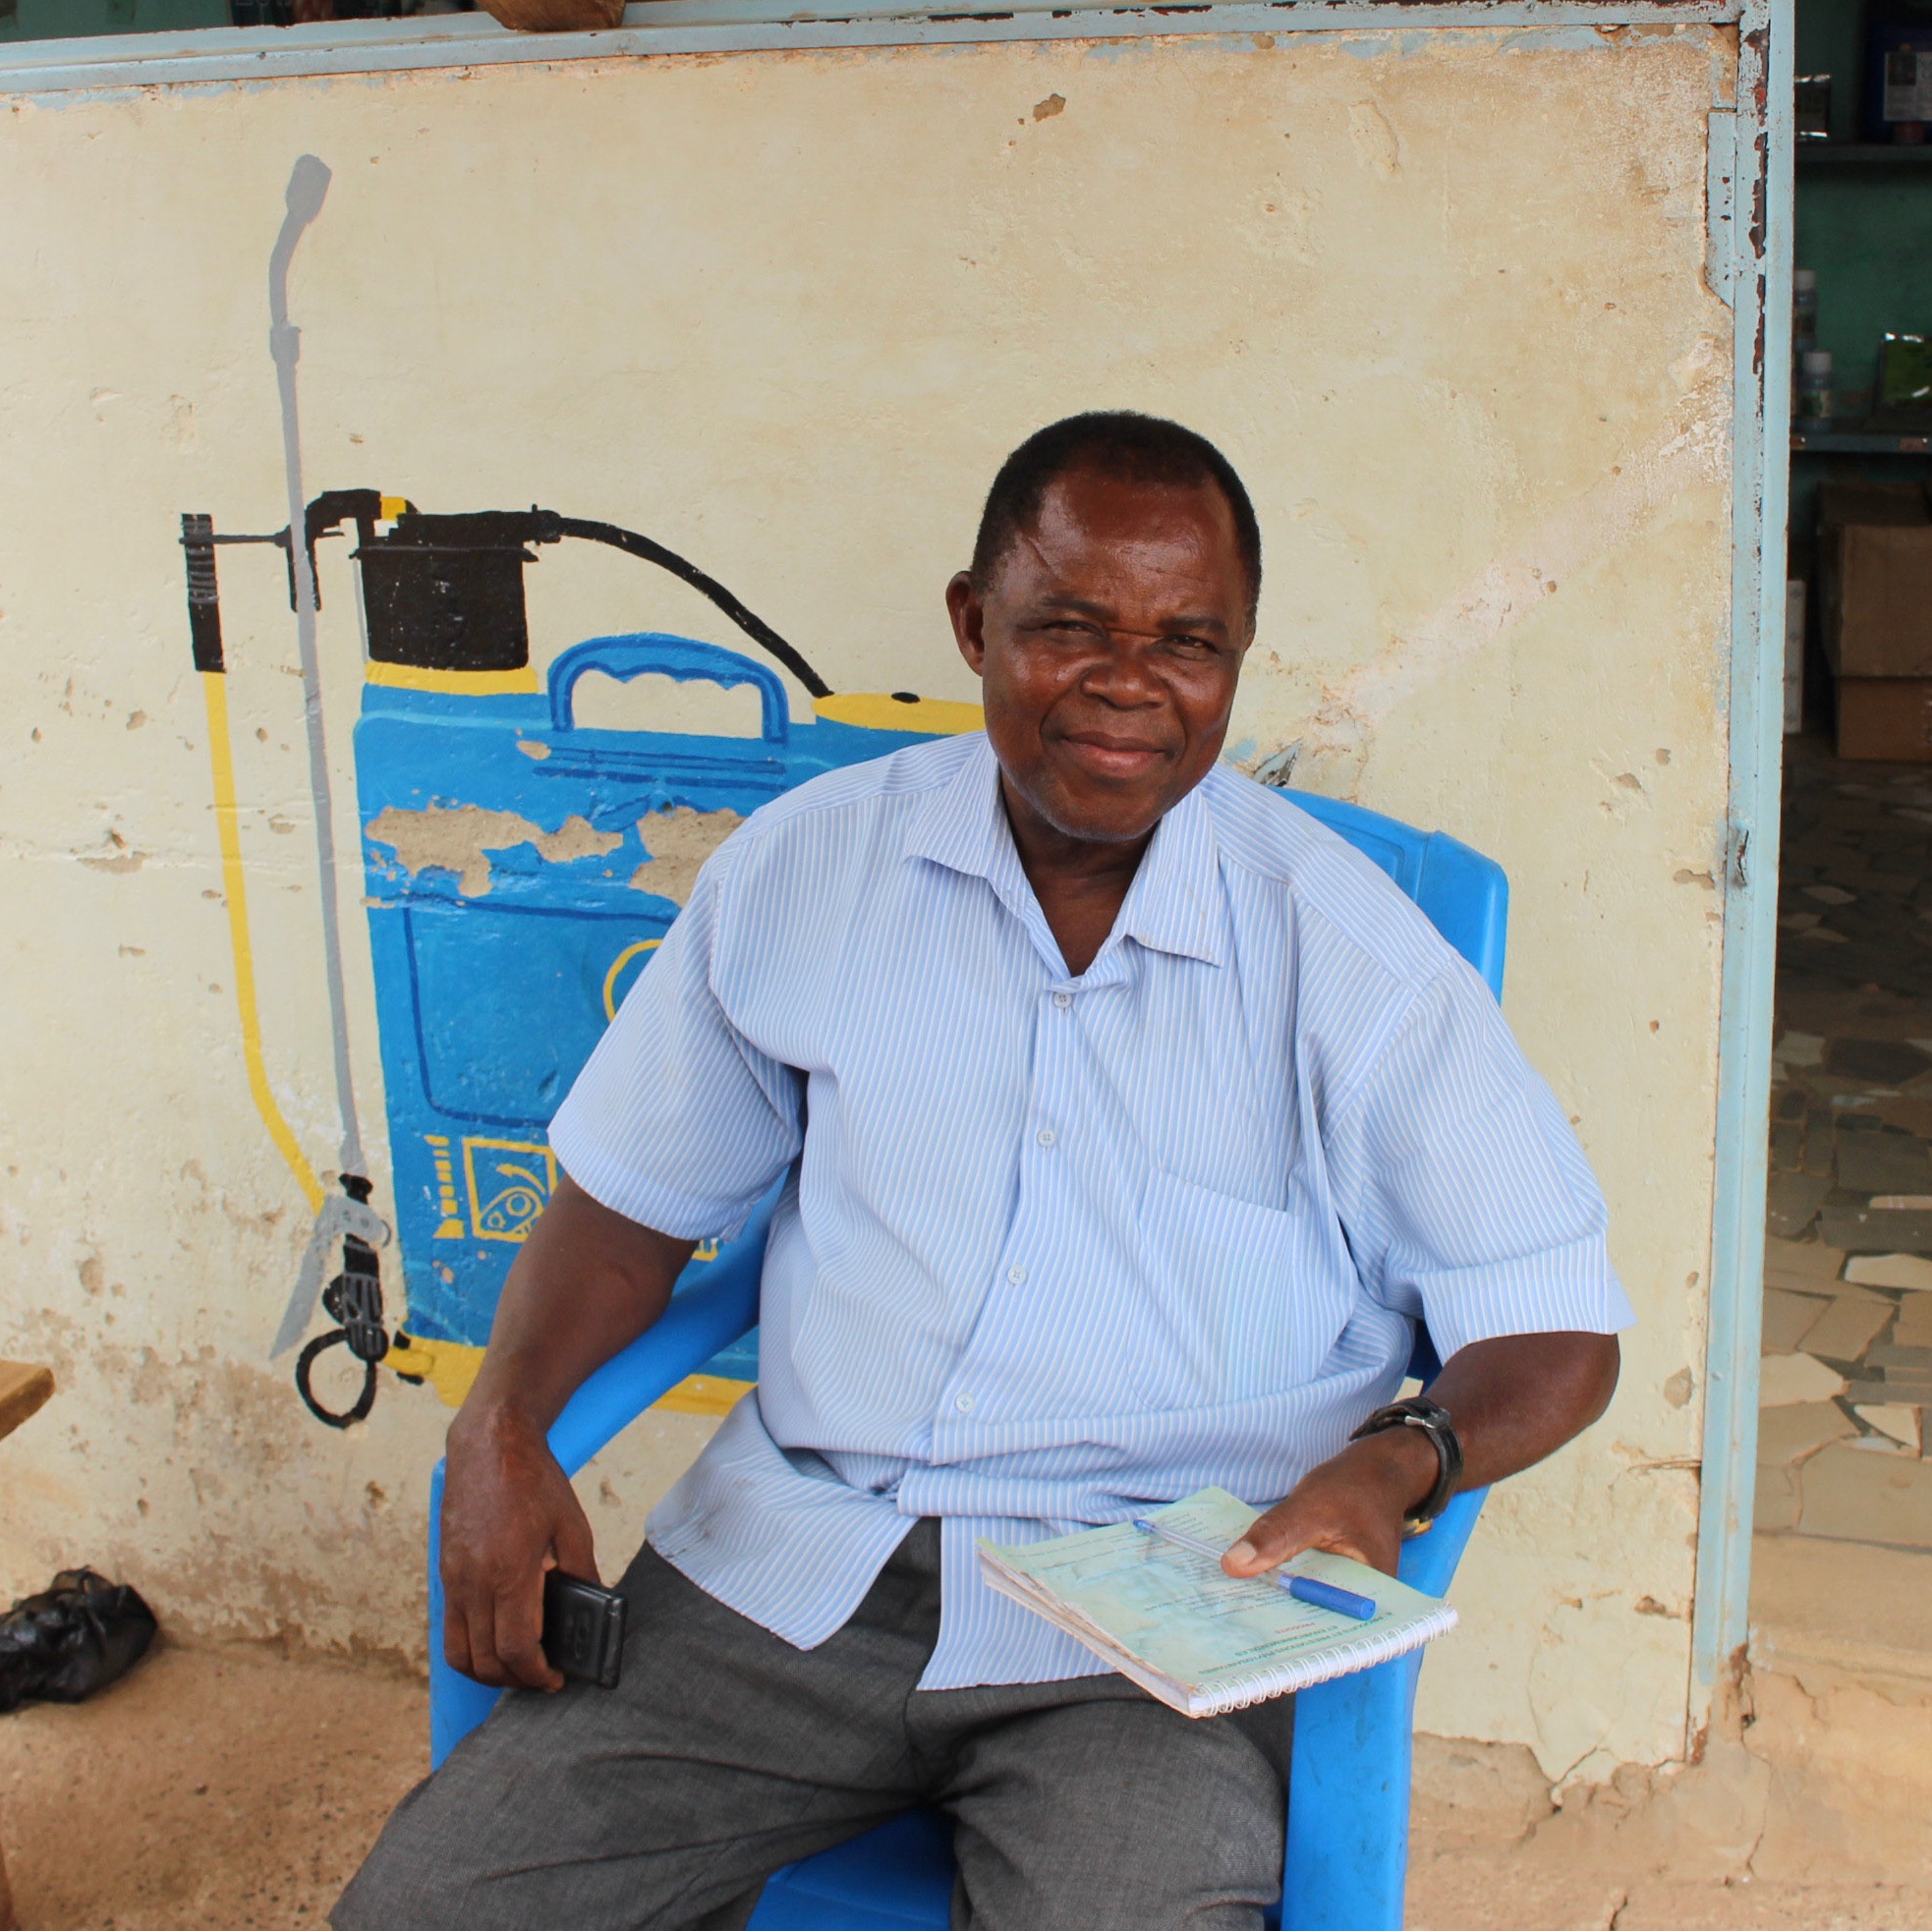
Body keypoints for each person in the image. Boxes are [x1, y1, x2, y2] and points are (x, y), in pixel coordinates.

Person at [337, 413, 1631, 1931]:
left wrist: (1400, 1461)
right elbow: (626, 1214)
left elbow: (1552, 1327)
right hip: (792, 1574)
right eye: (1069, 627)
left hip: (1158, 1632)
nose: (1130, 686)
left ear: (1240, 658)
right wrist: (501, 1427)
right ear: (973, 622)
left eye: (1191, 642)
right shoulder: (807, 870)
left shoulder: (1349, 957)